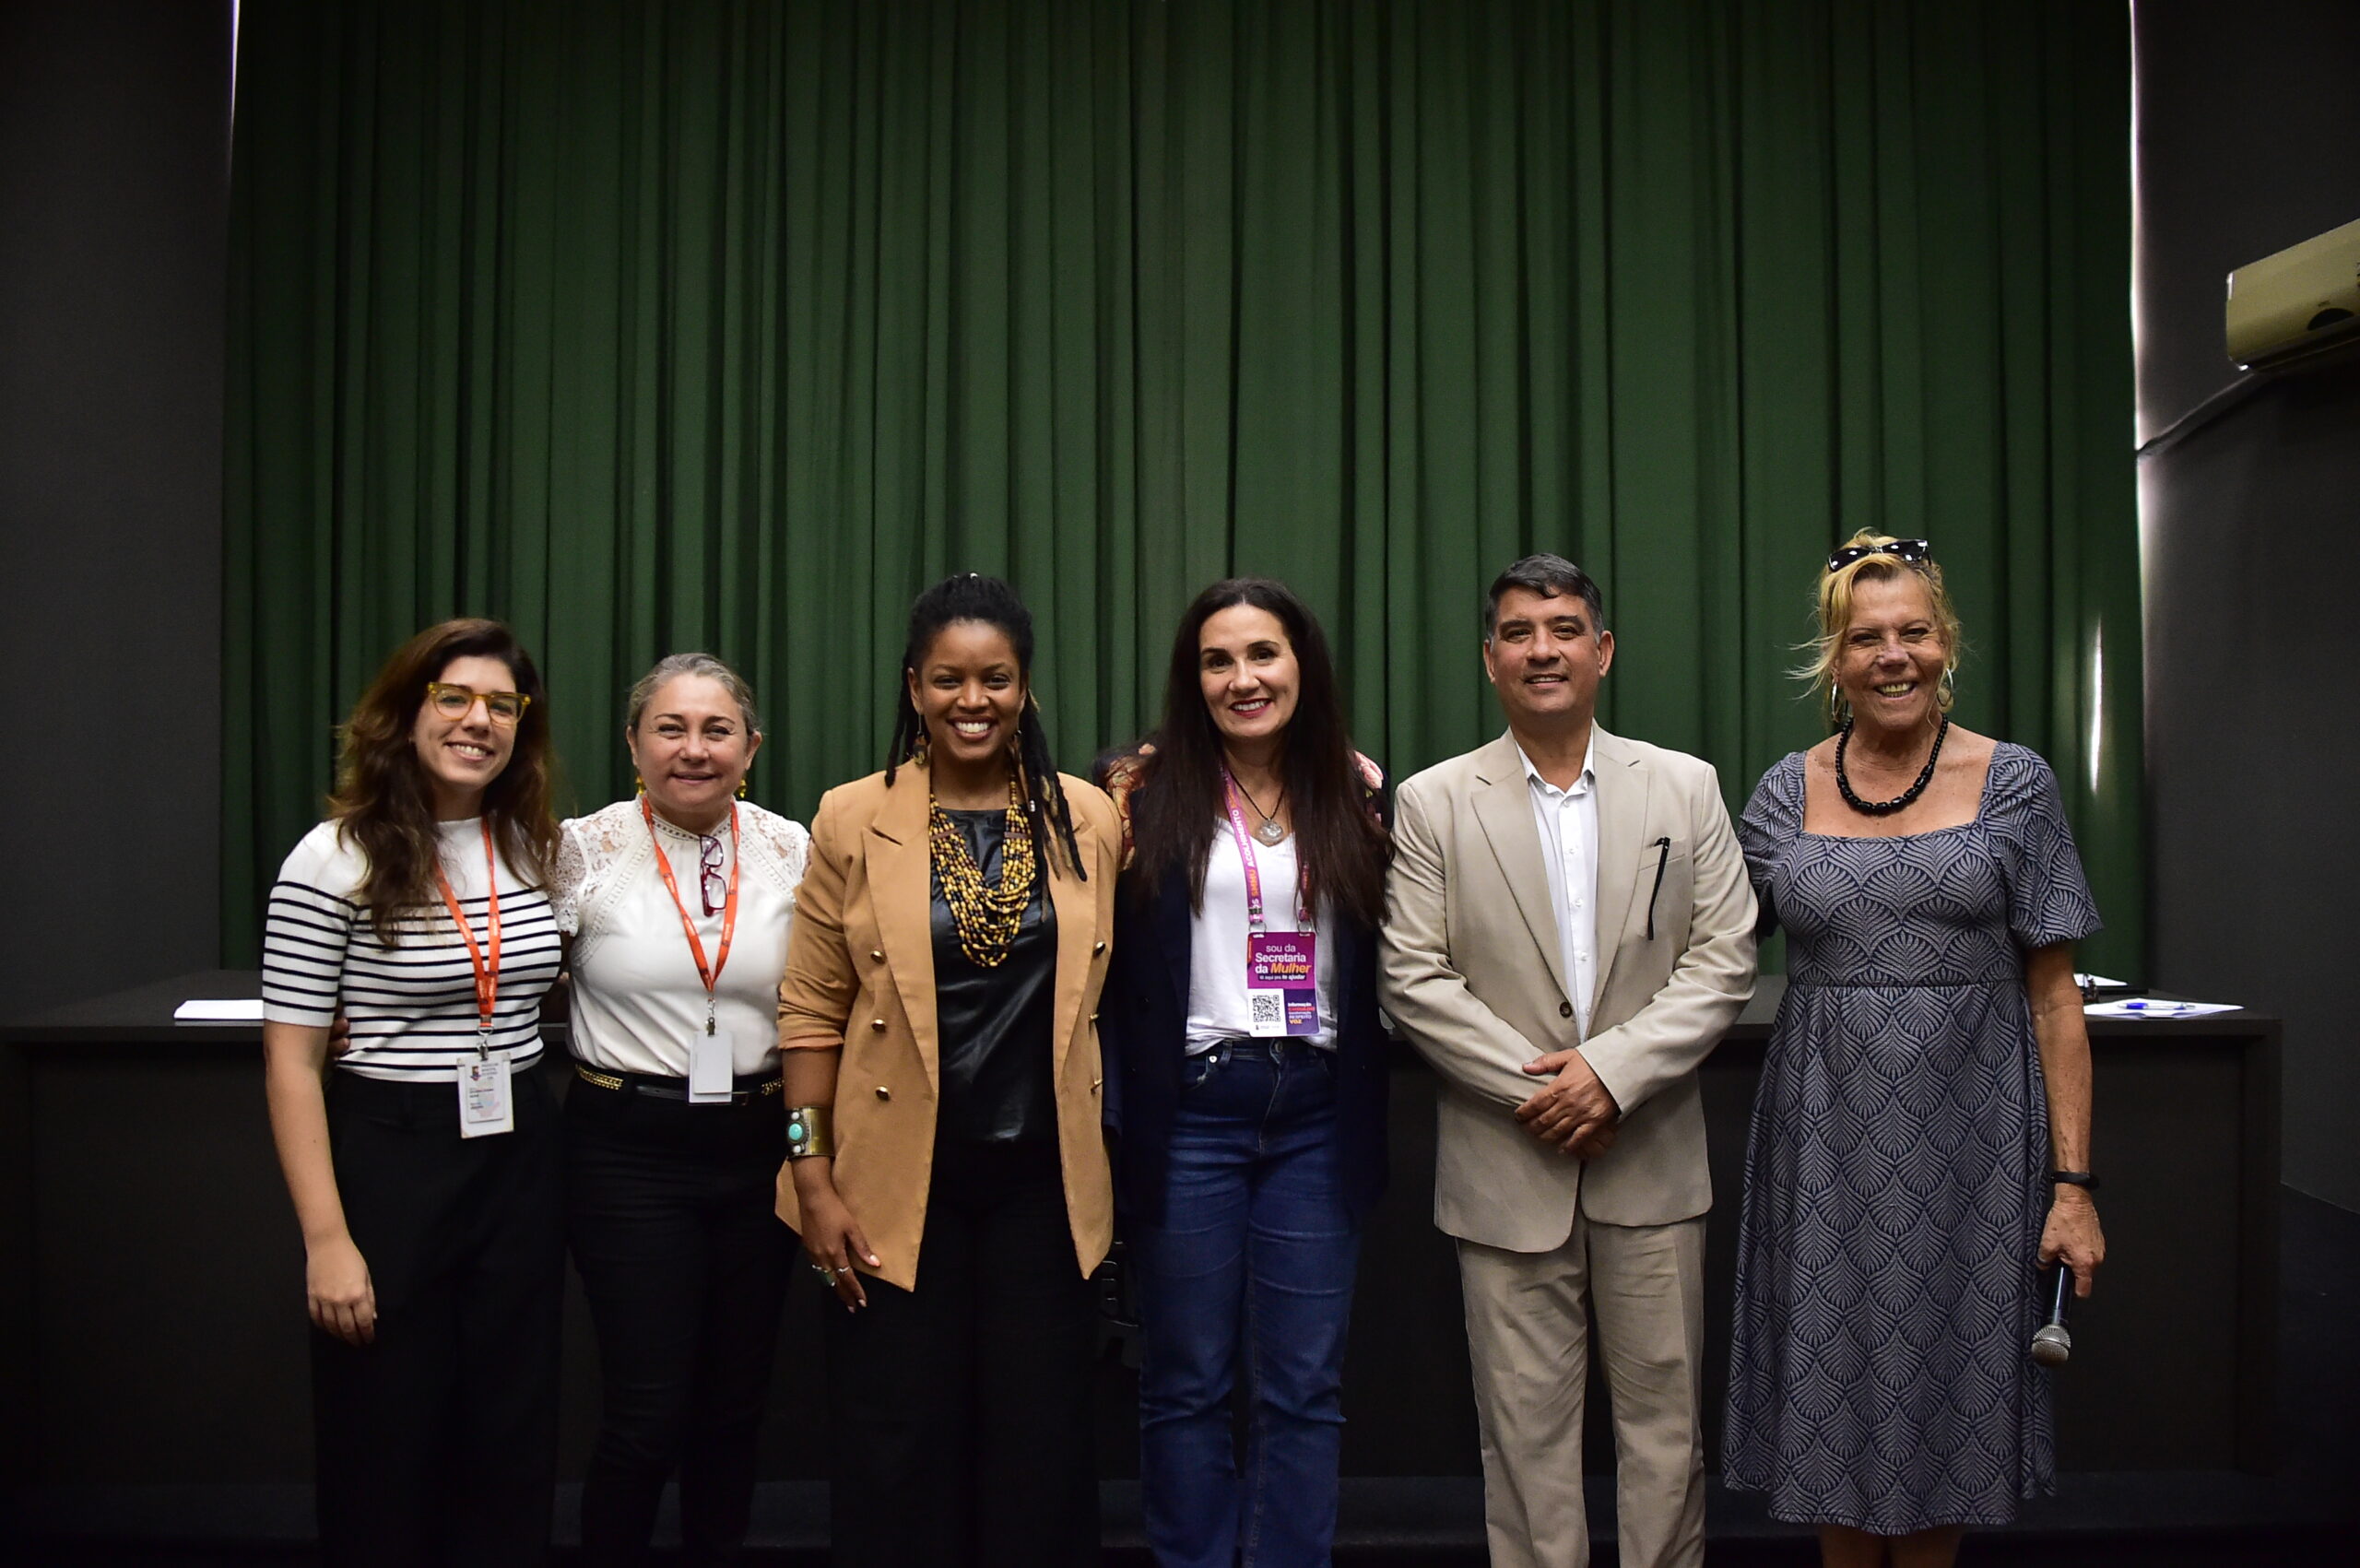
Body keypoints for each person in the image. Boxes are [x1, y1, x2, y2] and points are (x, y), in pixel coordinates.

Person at [1719, 534, 2106, 1568]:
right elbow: (1698, 944)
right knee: (1834, 1381)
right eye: (1865, 639)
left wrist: (2072, 1187)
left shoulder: (2015, 783)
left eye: (1914, 634)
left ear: (1946, 645)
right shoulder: (1780, 792)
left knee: (1950, 1386)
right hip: (1824, 1143)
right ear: (1833, 662)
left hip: (1975, 1140)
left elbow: (2054, 995)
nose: (1893, 656)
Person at [1378, 555, 1757, 1568]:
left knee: (1667, 1441)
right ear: (1489, 657)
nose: (1539, 648)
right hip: (1508, 1169)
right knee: (1524, 1448)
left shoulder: (1684, 786)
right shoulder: (1432, 803)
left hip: (1653, 1162)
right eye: (1515, 631)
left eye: (1560, 627)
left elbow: (1726, 959)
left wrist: (1613, 1074)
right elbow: (1411, 978)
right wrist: (1548, 1091)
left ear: (1602, 649)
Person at [773, 572, 1124, 1567]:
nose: (972, 701)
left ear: (1026, 691)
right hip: (891, 1185)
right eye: (947, 680)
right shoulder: (851, 817)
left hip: (1043, 1189)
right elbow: (808, 1010)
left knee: (1040, 1448)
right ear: (913, 689)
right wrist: (811, 1174)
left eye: (995, 679)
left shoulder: (1087, 818)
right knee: (897, 1447)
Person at [1096, 579, 1393, 1568]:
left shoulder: (1354, 790)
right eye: (1217, 661)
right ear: (1193, 680)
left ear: (1300, 663)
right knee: (1186, 1381)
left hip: (1315, 1113)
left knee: (1303, 1386)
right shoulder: (1136, 792)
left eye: (1262, 654)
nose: (1243, 678)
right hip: (1191, 1116)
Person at [260, 618, 566, 1565]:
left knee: (511, 1426)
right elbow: (291, 1064)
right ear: (403, 712)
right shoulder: (330, 860)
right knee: (385, 1428)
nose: (480, 721)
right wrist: (326, 1242)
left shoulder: (533, 847)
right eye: (455, 698)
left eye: (502, 705)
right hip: (392, 1154)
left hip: (518, 1148)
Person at [549, 654, 810, 1566]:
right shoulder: (579, 849)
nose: (692, 750)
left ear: (751, 748)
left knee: (736, 1407)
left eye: (715, 730)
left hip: (761, 1148)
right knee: (647, 1410)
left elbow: (835, 1001)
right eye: (670, 728)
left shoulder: (793, 849)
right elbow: (493, 970)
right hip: (627, 1152)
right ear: (633, 743)